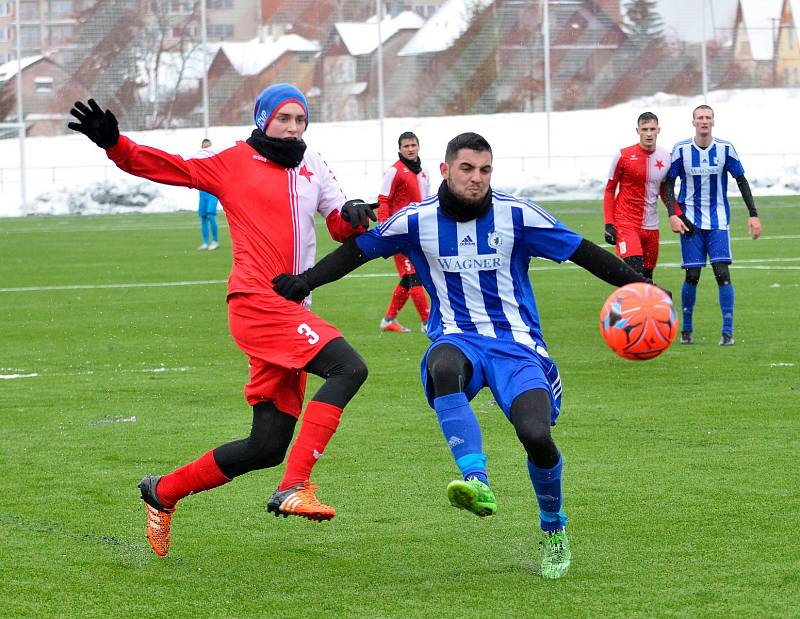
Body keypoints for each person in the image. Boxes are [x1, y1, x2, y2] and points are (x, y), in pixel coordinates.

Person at [271, 132, 656, 579]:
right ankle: (476, 481)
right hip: (458, 337)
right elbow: (359, 250)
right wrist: (306, 282)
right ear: (446, 170)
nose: (477, 179)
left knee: (535, 435)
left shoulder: (517, 215)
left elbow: (583, 251)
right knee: (443, 365)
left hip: (518, 347)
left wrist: (639, 286)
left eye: (485, 170)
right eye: (468, 169)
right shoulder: (416, 221)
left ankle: (553, 528)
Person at [67, 84, 379, 557]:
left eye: (300, 120)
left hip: (292, 310)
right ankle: (295, 485)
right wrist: (115, 144)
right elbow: (171, 168)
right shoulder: (233, 161)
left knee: (266, 445)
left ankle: (162, 492)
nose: (293, 128)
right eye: (284, 119)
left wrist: (354, 214)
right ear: (262, 119)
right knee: (348, 367)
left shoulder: (313, 162)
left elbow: (338, 222)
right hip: (257, 301)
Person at [665, 104, 762, 346]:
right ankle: (687, 329)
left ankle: (727, 331)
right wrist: (672, 214)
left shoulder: (725, 148)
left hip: (718, 221)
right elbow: (668, 184)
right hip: (690, 223)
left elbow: (741, 179)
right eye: (700, 117)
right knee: (693, 275)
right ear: (693, 122)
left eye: (708, 117)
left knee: (723, 274)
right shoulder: (681, 150)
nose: (704, 121)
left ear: (713, 121)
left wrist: (753, 213)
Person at [603, 112, 671, 280]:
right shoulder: (623, 156)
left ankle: (645, 306)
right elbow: (610, 190)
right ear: (637, 131)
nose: (649, 133)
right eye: (644, 129)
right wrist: (609, 224)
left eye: (652, 129)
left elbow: (665, 192)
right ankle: (625, 305)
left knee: (647, 277)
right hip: (626, 222)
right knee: (635, 272)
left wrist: (676, 215)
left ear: (659, 130)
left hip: (651, 227)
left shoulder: (666, 157)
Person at [377, 131, 432, 333]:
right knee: (413, 276)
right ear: (399, 149)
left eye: (413, 145)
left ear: (418, 146)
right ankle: (427, 323)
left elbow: (427, 201)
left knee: (408, 278)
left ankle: (389, 319)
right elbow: (383, 199)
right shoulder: (394, 171)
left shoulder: (423, 171)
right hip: (399, 233)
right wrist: (384, 227)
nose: (410, 149)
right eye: (406, 146)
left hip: (419, 233)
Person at [196, 138, 220, 251]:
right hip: (202, 192)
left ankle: (215, 241)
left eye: (208, 147)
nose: (206, 149)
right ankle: (205, 242)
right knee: (204, 217)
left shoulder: (216, 160)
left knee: (211, 215)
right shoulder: (198, 160)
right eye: (204, 147)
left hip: (213, 192)